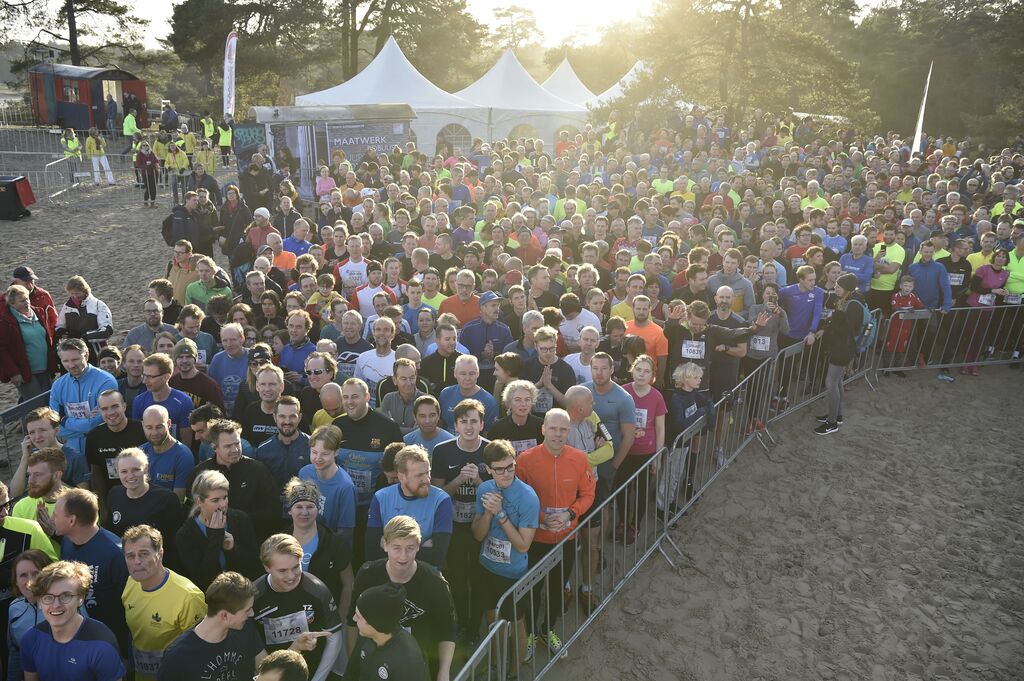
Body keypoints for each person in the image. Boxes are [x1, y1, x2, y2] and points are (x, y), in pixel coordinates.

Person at [515, 409, 596, 659]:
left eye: (563, 429)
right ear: (543, 429)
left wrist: (571, 514)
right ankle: (529, 633)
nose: (558, 434)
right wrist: (542, 518)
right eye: (553, 428)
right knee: (533, 589)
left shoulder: (579, 459)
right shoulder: (525, 460)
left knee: (557, 588)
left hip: (566, 538)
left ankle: (546, 630)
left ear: (568, 431)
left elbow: (588, 494)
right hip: (535, 539)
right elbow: (517, 497)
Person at [347, 516, 456, 681]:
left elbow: (447, 631)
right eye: (396, 548)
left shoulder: (435, 582)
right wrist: (353, 661)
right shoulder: (368, 575)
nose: (403, 556)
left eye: (410, 548)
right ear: (385, 545)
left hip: (417, 663)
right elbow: (352, 621)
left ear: (418, 545)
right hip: (372, 655)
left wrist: (444, 672)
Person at [471, 439, 539, 672]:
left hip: (513, 573)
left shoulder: (528, 496)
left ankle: (515, 671)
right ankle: (498, 665)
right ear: (489, 469)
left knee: (516, 622)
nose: (507, 473)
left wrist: (500, 514)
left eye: (510, 466)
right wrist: (488, 514)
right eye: (499, 469)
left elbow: (523, 545)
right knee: (492, 619)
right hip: (486, 567)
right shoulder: (484, 490)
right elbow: (478, 535)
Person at [252, 534, 344, 681]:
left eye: (296, 567)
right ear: (267, 567)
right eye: (282, 571)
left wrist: (318, 679)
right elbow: (249, 643)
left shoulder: (316, 589)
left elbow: (334, 638)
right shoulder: (254, 596)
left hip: (311, 670)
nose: (291, 576)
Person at [121, 524, 206, 681]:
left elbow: (200, 650)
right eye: (130, 556)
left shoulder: (188, 597)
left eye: (144, 554)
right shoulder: (131, 583)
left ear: (160, 554)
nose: (137, 561)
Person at [53, 487, 131, 657]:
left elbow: (131, 605)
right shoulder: (67, 542)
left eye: (56, 514)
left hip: (111, 647)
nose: (52, 519)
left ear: (72, 520)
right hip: (77, 640)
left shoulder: (115, 553)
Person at [20, 560, 126, 681]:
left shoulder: (102, 645)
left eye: (65, 596)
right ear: (39, 602)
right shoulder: (31, 639)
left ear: (81, 598)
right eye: (48, 597)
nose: (56, 605)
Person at [158, 571, 268, 681]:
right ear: (225, 615)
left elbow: (266, 670)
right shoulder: (177, 657)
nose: (252, 614)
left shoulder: (245, 628)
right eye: (247, 610)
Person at [187, 418, 281, 540]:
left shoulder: (258, 471)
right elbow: (191, 511)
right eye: (228, 446)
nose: (235, 450)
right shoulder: (200, 473)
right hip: (209, 538)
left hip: (250, 539)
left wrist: (238, 521)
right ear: (214, 447)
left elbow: (273, 511)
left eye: (237, 443)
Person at [365, 445, 452, 567]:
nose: (427, 480)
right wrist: (422, 548)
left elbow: (438, 555)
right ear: (401, 476)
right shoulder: (381, 498)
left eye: (428, 473)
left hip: (425, 574)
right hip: (387, 573)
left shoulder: (441, 500)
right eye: (419, 475)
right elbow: (371, 552)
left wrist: (390, 547)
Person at [175, 469, 261, 590]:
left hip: (243, 592)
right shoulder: (186, 534)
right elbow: (202, 577)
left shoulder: (240, 519)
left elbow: (255, 566)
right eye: (215, 500)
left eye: (225, 497)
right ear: (199, 501)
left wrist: (232, 549)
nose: (223, 504)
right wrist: (215, 538)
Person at [614, 355, 666, 544]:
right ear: (632, 370)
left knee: (641, 491)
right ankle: (622, 521)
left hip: (646, 453)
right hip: (624, 451)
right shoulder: (622, 391)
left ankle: (635, 524)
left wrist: (657, 457)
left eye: (646, 371)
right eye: (638, 369)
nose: (642, 374)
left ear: (652, 375)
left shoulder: (657, 396)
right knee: (621, 488)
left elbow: (660, 428)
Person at [284, 477, 354, 615]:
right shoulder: (280, 542)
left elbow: (349, 584)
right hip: (289, 616)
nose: (304, 512)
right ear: (290, 510)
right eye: (299, 507)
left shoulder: (335, 543)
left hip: (326, 615)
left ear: (318, 509)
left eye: (310, 507)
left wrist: (341, 618)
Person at [105, 449, 185, 556]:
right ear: (117, 472)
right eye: (124, 471)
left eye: (136, 470)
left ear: (146, 468)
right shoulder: (114, 494)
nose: (130, 476)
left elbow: (176, 542)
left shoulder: (166, 499)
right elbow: (111, 533)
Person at [346, 583, 429, 681]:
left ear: (376, 623)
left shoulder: (408, 660)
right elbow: (351, 673)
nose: (354, 618)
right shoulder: (366, 635)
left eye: (359, 616)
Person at [49, 337, 118, 455]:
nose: (71, 365)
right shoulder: (58, 385)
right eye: (65, 361)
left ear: (86, 356)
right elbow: (55, 428)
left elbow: (97, 423)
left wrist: (64, 420)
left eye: (75, 359)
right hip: (72, 449)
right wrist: (87, 426)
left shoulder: (106, 381)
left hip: (102, 446)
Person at [814, 274, 861, 434]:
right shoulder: (845, 301)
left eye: (839, 286)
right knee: (838, 381)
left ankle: (832, 423)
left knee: (830, 382)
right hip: (839, 346)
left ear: (847, 289)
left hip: (843, 349)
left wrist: (834, 317)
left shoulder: (853, 304)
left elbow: (847, 329)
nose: (835, 288)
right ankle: (836, 415)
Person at [6, 550, 63, 681]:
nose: (30, 581)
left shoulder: (67, 604)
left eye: (36, 574)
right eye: (23, 575)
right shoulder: (14, 608)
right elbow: (15, 653)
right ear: (16, 581)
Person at [298, 425, 357, 542]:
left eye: (325, 454)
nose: (318, 458)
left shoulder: (345, 487)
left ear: (336, 452)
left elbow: (345, 532)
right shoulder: (304, 473)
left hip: (331, 546)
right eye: (314, 452)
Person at [0, 283, 57, 402]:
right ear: (12, 304)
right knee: (36, 404)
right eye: (22, 301)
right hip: (25, 372)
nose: (26, 303)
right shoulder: (6, 321)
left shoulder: (39, 312)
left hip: (45, 368)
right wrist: (14, 373)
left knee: (49, 401)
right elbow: (2, 349)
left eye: (27, 299)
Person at [140, 404, 194, 501]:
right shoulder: (140, 452)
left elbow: (178, 501)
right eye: (149, 427)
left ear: (169, 424)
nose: (154, 433)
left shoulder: (183, 456)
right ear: (143, 425)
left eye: (159, 427)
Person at [437, 355, 498, 432]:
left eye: (472, 373)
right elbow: (439, 423)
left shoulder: (489, 402)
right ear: (455, 374)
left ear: (478, 374)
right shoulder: (445, 394)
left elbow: (489, 433)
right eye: (463, 374)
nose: (467, 378)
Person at [487, 380, 544, 455]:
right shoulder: (497, 428)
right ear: (509, 403)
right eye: (518, 400)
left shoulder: (540, 425)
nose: (523, 404)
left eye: (527, 399)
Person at [209, 322, 250, 416]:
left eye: (233, 340)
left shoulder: (252, 358)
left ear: (242, 339)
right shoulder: (217, 359)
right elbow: (212, 389)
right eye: (225, 340)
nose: (229, 344)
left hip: (246, 412)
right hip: (223, 413)